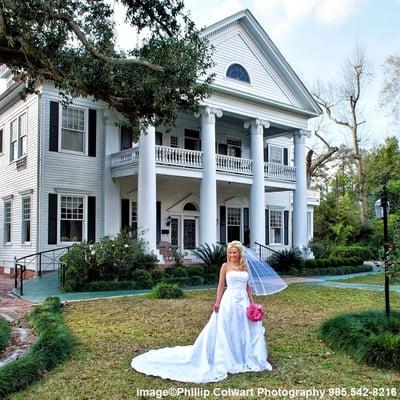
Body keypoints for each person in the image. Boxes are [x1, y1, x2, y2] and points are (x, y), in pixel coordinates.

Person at [131, 240, 273, 383]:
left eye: (234, 252)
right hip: (229, 301)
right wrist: (217, 302)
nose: (231, 255)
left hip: (243, 302)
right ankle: (228, 357)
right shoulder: (225, 266)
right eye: (229, 252)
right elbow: (221, 285)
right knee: (227, 328)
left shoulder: (244, 266)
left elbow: (248, 286)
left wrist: (252, 302)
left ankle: (242, 355)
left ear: (239, 253)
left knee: (243, 329)